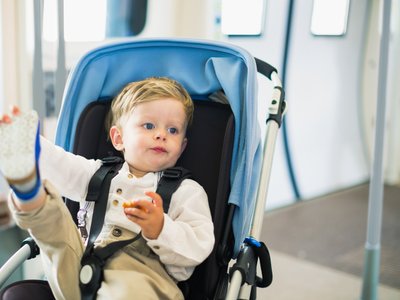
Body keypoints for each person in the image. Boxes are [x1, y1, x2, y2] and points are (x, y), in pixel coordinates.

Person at [0, 77, 214, 300]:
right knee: (57, 233)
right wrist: (33, 144)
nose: (161, 134)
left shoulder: (186, 191)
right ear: (119, 138)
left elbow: (198, 245)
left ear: (182, 147)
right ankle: (29, 189)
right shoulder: (99, 173)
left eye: (173, 130)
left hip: (143, 279)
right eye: (149, 126)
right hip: (81, 266)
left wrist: (160, 228)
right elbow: (61, 166)